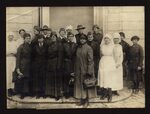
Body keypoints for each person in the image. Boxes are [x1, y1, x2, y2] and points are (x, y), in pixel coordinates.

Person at [74, 34, 97, 108]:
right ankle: (82, 100)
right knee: (80, 85)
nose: (82, 40)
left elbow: (91, 60)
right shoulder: (79, 48)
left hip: (86, 69)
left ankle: (87, 101)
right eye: (81, 39)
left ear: (86, 40)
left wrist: (89, 71)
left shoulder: (89, 48)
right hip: (79, 70)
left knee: (86, 85)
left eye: (83, 39)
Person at [97, 34, 116, 102]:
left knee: (109, 78)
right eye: (105, 38)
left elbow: (114, 56)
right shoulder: (102, 46)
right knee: (103, 77)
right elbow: (100, 55)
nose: (106, 40)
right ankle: (104, 94)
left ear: (110, 39)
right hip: (103, 62)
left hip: (110, 62)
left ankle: (110, 95)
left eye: (107, 38)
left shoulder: (113, 46)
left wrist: (114, 65)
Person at [45, 32, 63, 100]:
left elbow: (60, 56)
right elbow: (47, 55)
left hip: (56, 63)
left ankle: (57, 94)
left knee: (56, 79)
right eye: (52, 37)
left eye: (54, 37)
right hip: (50, 63)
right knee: (51, 79)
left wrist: (58, 65)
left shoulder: (59, 45)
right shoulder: (49, 45)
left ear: (56, 37)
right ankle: (52, 93)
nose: (53, 38)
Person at [14, 33, 32, 99]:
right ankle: (22, 93)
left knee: (28, 78)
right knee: (22, 79)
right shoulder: (20, 47)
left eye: (29, 38)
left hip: (29, 65)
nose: (28, 39)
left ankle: (27, 92)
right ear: (24, 39)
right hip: (23, 65)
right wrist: (18, 68)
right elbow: (18, 58)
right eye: (27, 38)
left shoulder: (30, 46)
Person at [31, 34, 47, 98]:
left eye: (41, 38)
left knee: (43, 79)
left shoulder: (46, 46)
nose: (40, 40)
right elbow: (33, 56)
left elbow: (47, 55)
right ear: (37, 40)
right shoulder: (35, 47)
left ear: (43, 39)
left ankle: (43, 93)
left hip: (44, 65)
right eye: (39, 39)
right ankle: (38, 94)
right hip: (37, 65)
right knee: (37, 80)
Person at [62, 32, 77, 98]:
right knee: (66, 77)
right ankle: (66, 93)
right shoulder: (64, 45)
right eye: (69, 36)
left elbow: (76, 56)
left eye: (71, 36)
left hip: (73, 63)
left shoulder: (76, 45)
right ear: (67, 37)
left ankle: (72, 92)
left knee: (73, 78)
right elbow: (62, 55)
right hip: (66, 62)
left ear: (73, 37)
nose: (70, 37)